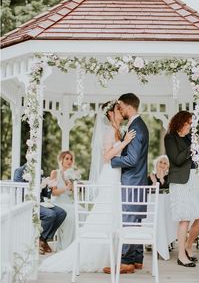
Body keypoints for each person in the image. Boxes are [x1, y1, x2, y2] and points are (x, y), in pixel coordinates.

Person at [39, 100, 135, 273]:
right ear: (110, 113)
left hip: (116, 175)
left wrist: (124, 140)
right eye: (118, 110)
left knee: (113, 214)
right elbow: (106, 157)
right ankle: (101, 256)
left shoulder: (118, 131)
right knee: (105, 213)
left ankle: (112, 256)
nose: (121, 112)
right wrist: (125, 142)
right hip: (110, 175)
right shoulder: (108, 131)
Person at [104, 93, 149, 275]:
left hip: (132, 180)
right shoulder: (135, 125)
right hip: (135, 180)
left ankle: (126, 262)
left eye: (120, 106)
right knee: (134, 220)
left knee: (130, 220)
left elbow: (131, 159)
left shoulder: (137, 128)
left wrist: (112, 162)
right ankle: (137, 259)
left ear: (127, 106)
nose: (119, 109)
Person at [164, 110, 199, 268]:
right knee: (184, 218)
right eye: (188, 123)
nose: (190, 126)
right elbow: (177, 160)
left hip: (194, 179)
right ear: (181, 122)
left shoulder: (188, 137)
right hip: (180, 182)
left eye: (191, 123)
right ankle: (181, 256)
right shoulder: (170, 137)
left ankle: (188, 246)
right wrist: (192, 148)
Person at [13, 164, 67, 255]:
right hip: (28, 203)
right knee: (50, 215)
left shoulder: (39, 171)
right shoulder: (19, 171)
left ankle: (42, 239)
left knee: (61, 213)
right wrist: (39, 186)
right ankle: (39, 240)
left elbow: (45, 194)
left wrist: (48, 186)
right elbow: (20, 191)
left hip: (41, 202)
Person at [50, 151, 79, 250]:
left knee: (80, 211)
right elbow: (53, 192)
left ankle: (76, 246)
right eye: (66, 158)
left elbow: (73, 192)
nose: (69, 161)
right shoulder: (55, 173)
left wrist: (76, 185)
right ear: (61, 160)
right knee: (71, 215)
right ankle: (67, 247)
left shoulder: (71, 175)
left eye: (71, 159)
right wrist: (66, 188)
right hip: (57, 203)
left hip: (68, 202)